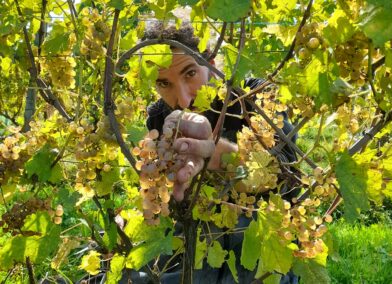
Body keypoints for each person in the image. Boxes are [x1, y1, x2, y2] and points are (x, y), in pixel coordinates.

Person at [123, 22, 299, 283]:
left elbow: (287, 178)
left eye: (190, 73)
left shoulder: (257, 97)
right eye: (164, 83)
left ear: (212, 62)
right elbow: (170, 196)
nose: (182, 99)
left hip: (259, 235)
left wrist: (218, 156)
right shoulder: (160, 117)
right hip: (196, 236)